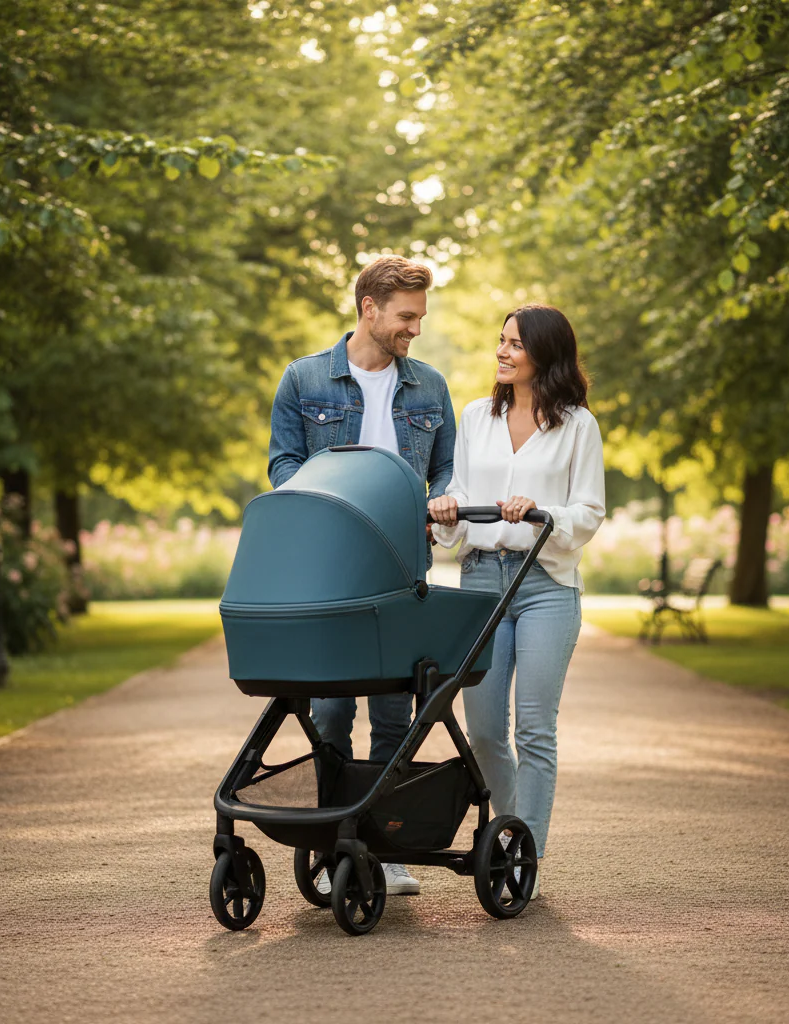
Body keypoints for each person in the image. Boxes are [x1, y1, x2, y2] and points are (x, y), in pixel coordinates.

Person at [268, 255, 456, 895]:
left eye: (420, 317)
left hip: (403, 565)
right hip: (330, 568)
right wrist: (330, 506)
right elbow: (283, 464)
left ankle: (385, 843)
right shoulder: (303, 378)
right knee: (329, 710)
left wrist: (444, 498)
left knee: (395, 711)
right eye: (406, 316)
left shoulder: (429, 386)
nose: (415, 329)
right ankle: (333, 844)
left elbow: (446, 468)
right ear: (368, 308)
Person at [428, 303, 605, 899]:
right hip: (481, 580)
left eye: (516, 344)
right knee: (482, 730)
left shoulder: (578, 426)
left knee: (533, 728)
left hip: (544, 584)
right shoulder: (476, 417)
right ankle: (509, 836)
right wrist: (447, 507)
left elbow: (589, 510)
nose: (502, 352)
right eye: (501, 341)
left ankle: (525, 855)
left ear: (545, 355)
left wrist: (539, 512)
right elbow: (458, 489)